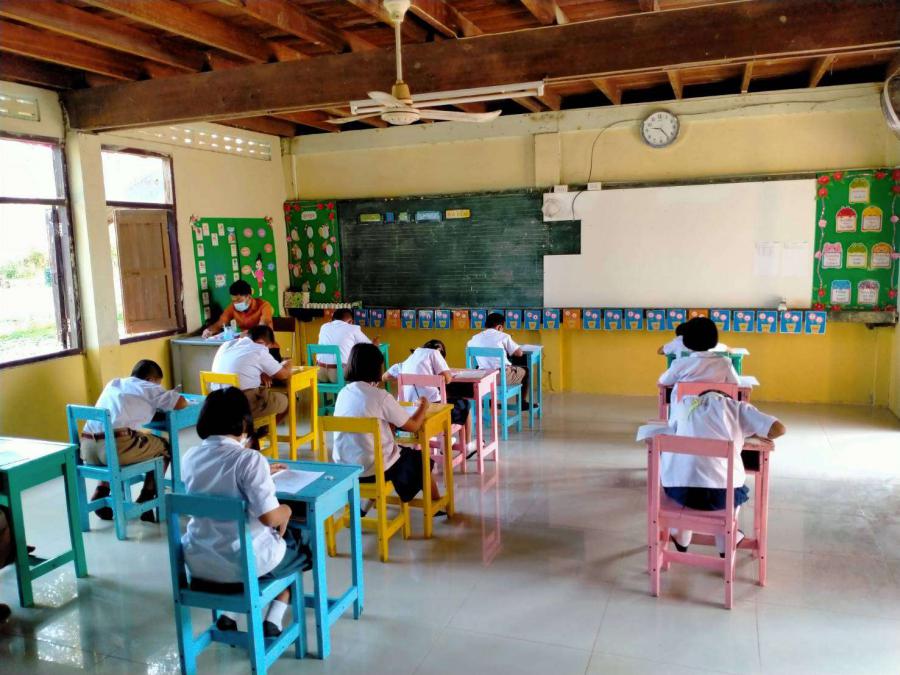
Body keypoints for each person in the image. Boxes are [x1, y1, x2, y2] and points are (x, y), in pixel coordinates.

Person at [180, 387, 310, 638]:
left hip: (199, 562)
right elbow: (269, 517)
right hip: (241, 563)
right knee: (302, 544)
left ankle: (230, 613)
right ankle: (274, 617)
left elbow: (218, 480)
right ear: (244, 422)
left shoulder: (190, 457)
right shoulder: (249, 459)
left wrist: (263, 472)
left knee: (263, 546)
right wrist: (287, 509)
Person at [663, 390, 785, 556]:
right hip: (722, 496)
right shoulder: (737, 407)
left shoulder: (684, 404)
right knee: (729, 488)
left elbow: (671, 429)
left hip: (680, 492)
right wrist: (748, 431)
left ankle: (682, 533)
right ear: (727, 397)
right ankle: (726, 540)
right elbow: (779, 429)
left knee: (691, 473)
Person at [333, 343, 442, 514]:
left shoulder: (343, 394)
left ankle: (363, 507)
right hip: (374, 470)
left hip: (346, 467)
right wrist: (423, 406)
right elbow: (413, 426)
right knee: (419, 460)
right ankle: (436, 504)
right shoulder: (381, 396)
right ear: (376, 367)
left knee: (388, 454)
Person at [81, 359, 187, 521]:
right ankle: (147, 498)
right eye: (158, 383)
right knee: (165, 447)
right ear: (150, 379)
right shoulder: (148, 386)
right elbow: (180, 403)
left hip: (88, 448)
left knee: (130, 440)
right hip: (115, 449)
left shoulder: (114, 383)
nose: (158, 386)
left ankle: (101, 491)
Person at [211, 325, 291, 438]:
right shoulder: (259, 349)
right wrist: (287, 363)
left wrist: (260, 372)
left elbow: (242, 366)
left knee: (261, 393)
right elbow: (283, 375)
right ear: (263, 342)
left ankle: (250, 434)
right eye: (269, 347)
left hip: (216, 404)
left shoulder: (226, 345)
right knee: (287, 401)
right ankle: (255, 436)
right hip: (240, 405)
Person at [383, 339, 469, 426]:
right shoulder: (435, 353)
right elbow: (447, 379)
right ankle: (457, 433)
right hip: (430, 409)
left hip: (407, 409)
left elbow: (384, 377)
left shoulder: (409, 359)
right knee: (464, 404)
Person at [658, 317, 739, 396]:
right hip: (715, 404)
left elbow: (663, 381)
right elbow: (736, 383)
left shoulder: (679, 363)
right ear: (714, 339)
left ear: (686, 339)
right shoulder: (725, 363)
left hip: (687, 405)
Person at [467, 312, 531, 410]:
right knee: (526, 371)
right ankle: (522, 403)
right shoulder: (504, 336)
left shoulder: (474, 338)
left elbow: (469, 348)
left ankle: (489, 402)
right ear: (499, 327)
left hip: (483, 377)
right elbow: (519, 353)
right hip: (500, 377)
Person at [316, 308, 378, 383]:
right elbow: (370, 347)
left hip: (319, 373)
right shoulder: (353, 328)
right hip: (339, 375)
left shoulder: (324, 327)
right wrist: (375, 343)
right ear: (350, 321)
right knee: (363, 363)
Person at [202, 280, 275, 338]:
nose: (236, 303)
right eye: (233, 301)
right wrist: (209, 330)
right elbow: (221, 323)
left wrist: (248, 333)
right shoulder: (232, 307)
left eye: (239, 300)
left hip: (265, 343)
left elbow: (262, 326)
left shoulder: (264, 305)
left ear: (249, 297)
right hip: (245, 343)